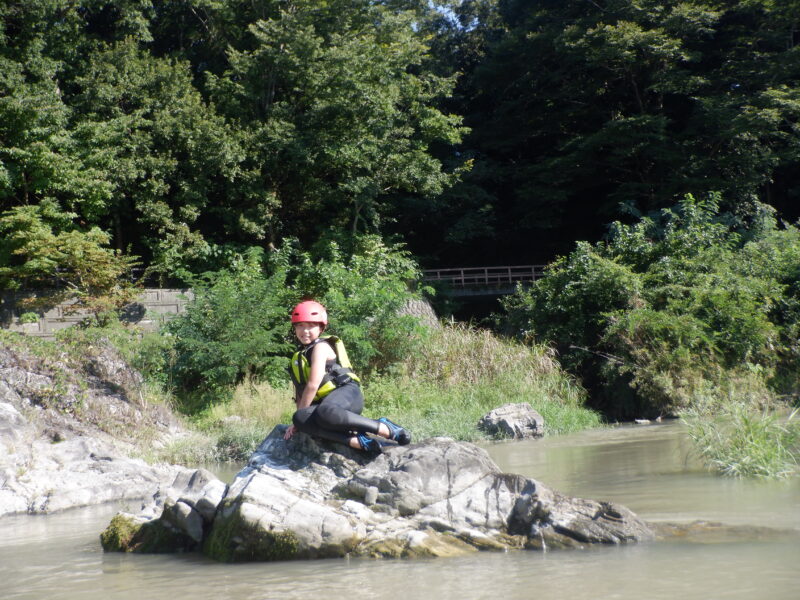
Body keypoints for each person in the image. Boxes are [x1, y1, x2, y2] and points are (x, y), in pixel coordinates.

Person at [283, 300, 411, 453]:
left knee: (323, 411)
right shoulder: (298, 357)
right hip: (328, 409)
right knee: (300, 418)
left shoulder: (320, 347)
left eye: (311, 326)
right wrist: (299, 421)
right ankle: (357, 441)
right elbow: (300, 393)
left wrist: (300, 416)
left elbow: (312, 385)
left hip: (347, 395)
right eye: (300, 326)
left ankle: (384, 428)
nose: (305, 331)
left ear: (321, 327)